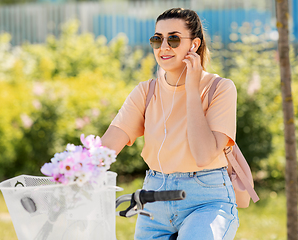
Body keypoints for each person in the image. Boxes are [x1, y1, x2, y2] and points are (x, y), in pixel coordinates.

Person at [101, 8, 239, 240]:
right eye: (157, 39)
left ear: (194, 45)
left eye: (173, 39)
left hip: (206, 200)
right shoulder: (145, 92)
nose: (164, 46)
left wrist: (192, 89)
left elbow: (203, 154)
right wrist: (72, 173)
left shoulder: (220, 89)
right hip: (154, 200)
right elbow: (105, 149)